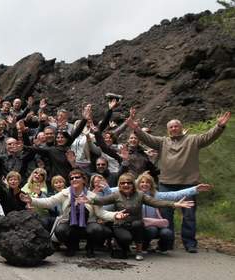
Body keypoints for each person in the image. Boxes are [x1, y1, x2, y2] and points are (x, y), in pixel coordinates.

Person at [126, 111, 230, 253]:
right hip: (166, 183)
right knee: (166, 214)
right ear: (168, 130)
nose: (174, 128)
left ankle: (190, 243)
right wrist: (136, 129)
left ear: (181, 127)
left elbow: (208, 137)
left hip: (188, 183)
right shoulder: (162, 142)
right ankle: (167, 243)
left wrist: (219, 126)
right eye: (171, 127)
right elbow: (147, 138)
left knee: (189, 215)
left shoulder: (193, 140)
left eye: (176, 126)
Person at [84, 172, 194, 260]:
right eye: (123, 183)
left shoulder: (140, 195)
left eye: (128, 183)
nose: (126, 185)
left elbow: (156, 202)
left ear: (133, 185)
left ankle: (139, 251)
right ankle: (123, 248)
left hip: (136, 225)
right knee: (125, 238)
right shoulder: (116, 195)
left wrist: (174, 204)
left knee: (138, 224)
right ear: (120, 185)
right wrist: (88, 199)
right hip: (120, 225)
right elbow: (101, 200)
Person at [21, 169, 128, 258]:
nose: (74, 179)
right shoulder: (65, 193)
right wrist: (32, 200)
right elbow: (49, 202)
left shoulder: (92, 196)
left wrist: (115, 215)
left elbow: (101, 213)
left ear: (84, 180)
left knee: (97, 229)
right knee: (60, 230)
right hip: (69, 222)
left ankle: (89, 248)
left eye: (77, 177)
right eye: (71, 178)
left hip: (88, 223)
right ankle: (71, 246)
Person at [135, 172, 212, 254]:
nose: (145, 184)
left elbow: (175, 194)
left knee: (167, 233)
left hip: (156, 224)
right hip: (141, 226)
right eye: (142, 182)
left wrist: (195, 189)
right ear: (138, 184)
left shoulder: (157, 195)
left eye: (147, 182)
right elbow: (120, 189)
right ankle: (144, 247)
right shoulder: (134, 195)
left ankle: (162, 248)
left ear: (151, 185)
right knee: (151, 230)